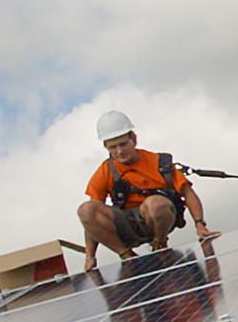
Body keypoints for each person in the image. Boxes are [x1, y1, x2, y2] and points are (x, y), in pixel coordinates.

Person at [79, 110, 219, 269]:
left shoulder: (158, 162)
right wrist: (90, 256)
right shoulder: (105, 170)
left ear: (133, 139)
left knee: (156, 204)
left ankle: (159, 243)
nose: (119, 151)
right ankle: (126, 255)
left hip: (158, 217)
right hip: (127, 223)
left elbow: (188, 193)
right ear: (106, 147)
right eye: (113, 147)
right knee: (85, 209)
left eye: (123, 144)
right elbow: (90, 219)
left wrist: (200, 224)